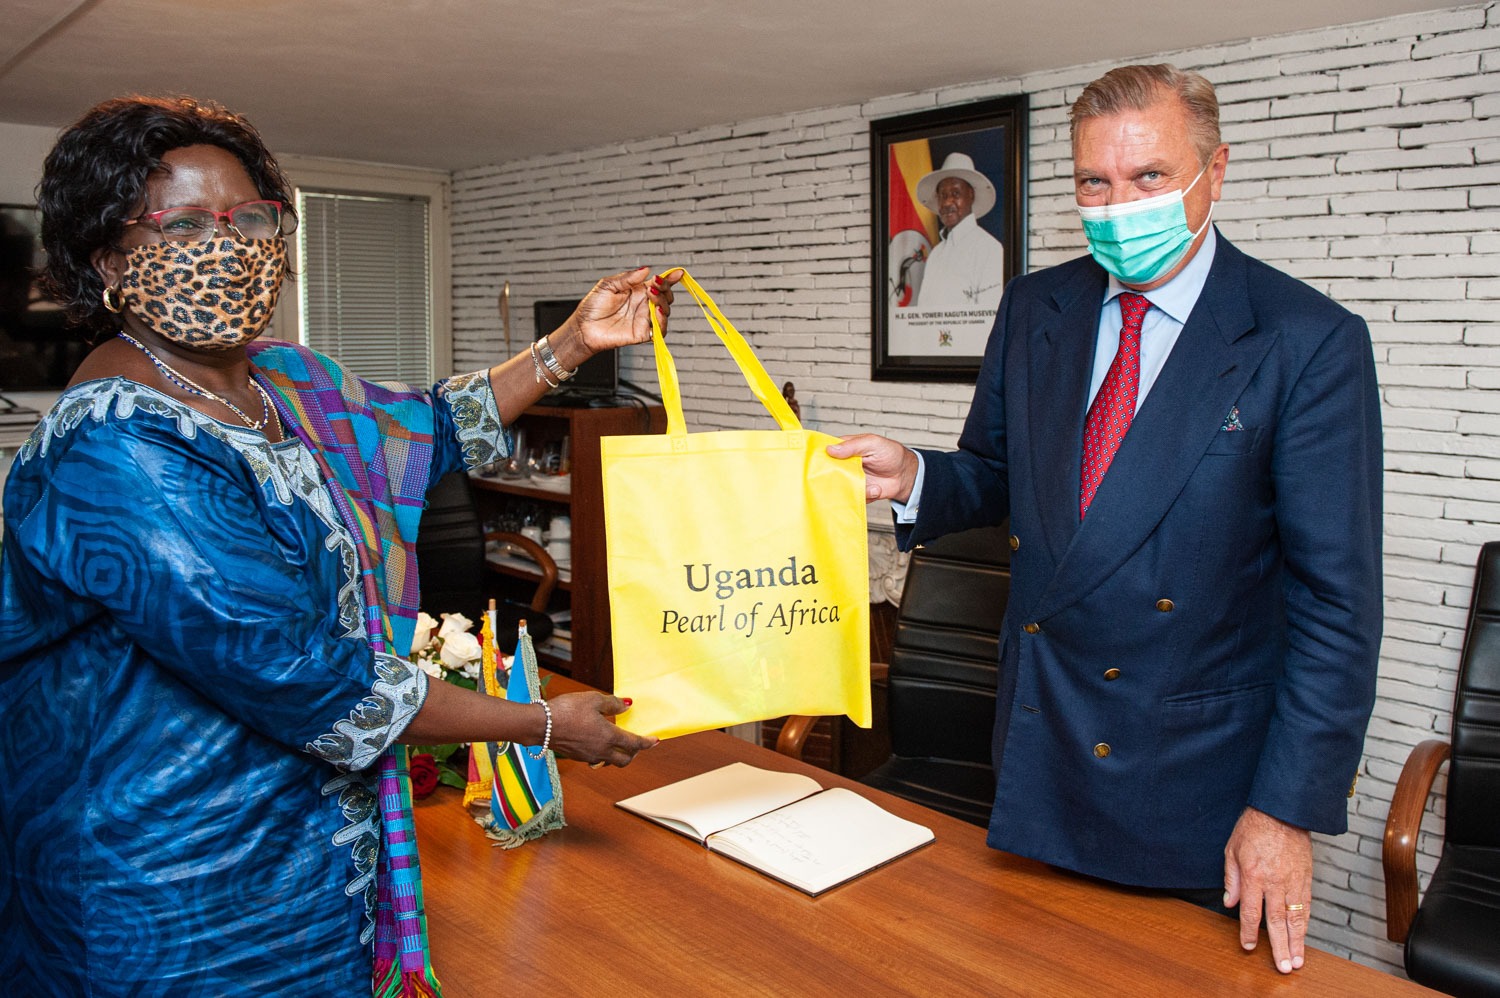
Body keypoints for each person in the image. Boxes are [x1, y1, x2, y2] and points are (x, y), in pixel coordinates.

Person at [0, 95, 682, 996]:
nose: (227, 245)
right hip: (168, 887)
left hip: (310, 855)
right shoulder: (117, 447)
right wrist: (544, 723)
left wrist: (572, 343)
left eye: (249, 218)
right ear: (109, 260)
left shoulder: (283, 381)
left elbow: (430, 427)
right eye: (185, 223)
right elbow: (304, 674)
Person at [833, 64, 1382, 975]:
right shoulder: (1034, 307)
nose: (1119, 207)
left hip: (1193, 776)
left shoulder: (1306, 340)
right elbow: (1002, 475)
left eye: (1149, 177)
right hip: (1041, 741)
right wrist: (916, 475)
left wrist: (1285, 812)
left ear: (1214, 171)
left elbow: (1337, 606)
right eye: (1095, 182)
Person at [914, 151, 1006, 309]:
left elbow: (990, 315)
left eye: (956, 193)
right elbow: (923, 312)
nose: (947, 202)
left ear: (971, 195)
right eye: (942, 195)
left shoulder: (989, 249)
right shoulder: (936, 254)